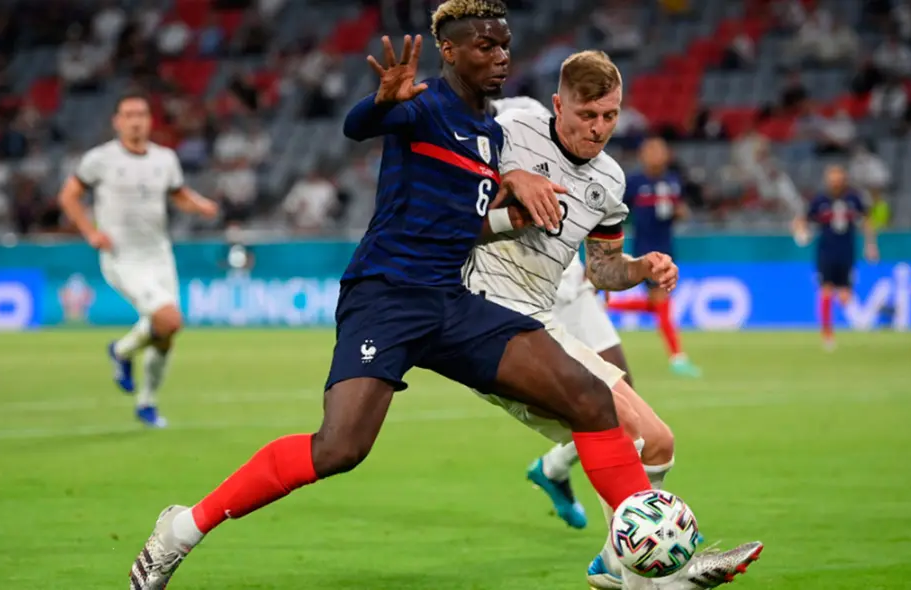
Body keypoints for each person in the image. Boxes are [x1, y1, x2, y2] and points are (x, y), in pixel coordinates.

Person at [126, 3, 667, 588]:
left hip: (451, 300)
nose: (502, 56)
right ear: (451, 52)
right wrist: (385, 102)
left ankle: (644, 566)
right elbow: (357, 126)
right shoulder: (422, 105)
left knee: (590, 396)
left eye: (506, 45)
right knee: (340, 448)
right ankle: (182, 528)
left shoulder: (491, 132)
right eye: (486, 46)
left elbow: (468, 221)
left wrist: (514, 188)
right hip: (386, 294)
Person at [477, 53, 762, 590]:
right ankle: (651, 577)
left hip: (546, 320)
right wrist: (510, 178)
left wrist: (641, 267)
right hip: (485, 319)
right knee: (623, 430)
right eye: (588, 114)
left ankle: (616, 566)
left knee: (658, 441)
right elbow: (451, 196)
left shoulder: (609, 179)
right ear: (558, 105)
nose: (600, 127)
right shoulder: (511, 130)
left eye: (610, 115)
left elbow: (602, 268)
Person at [57, 91, 219, 428]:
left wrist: (201, 205)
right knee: (170, 319)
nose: (135, 120)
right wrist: (90, 232)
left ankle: (145, 399)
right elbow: (69, 195)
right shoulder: (99, 159)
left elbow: (178, 195)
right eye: (128, 114)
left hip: (159, 254)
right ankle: (123, 352)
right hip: (123, 257)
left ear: (149, 120)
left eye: (142, 114)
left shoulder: (165, 159)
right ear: (117, 121)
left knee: (166, 333)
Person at [606, 137, 702, 377]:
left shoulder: (673, 181)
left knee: (659, 304)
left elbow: (679, 212)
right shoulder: (635, 183)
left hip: (668, 248)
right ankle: (677, 357)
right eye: (651, 150)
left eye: (660, 150)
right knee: (662, 301)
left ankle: (606, 305)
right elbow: (616, 210)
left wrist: (680, 212)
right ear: (642, 155)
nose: (656, 155)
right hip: (646, 250)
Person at [792, 165, 879, 350]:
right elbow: (801, 220)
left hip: (847, 250)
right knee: (826, 290)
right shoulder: (820, 200)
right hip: (826, 251)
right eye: (832, 178)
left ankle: (861, 321)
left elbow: (867, 221)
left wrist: (870, 245)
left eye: (838, 177)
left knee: (845, 297)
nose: (836, 181)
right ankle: (827, 334)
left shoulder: (854, 198)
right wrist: (800, 231)